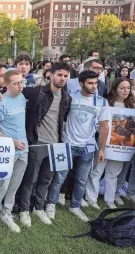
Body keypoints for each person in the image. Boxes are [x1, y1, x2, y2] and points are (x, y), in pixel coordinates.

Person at [46, 70, 109, 222]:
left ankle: (75, 206)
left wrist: (101, 149)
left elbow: (104, 127)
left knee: (82, 180)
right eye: (90, 83)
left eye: (96, 83)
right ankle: (51, 204)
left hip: (87, 147)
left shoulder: (101, 102)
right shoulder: (70, 97)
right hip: (67, 144)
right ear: (81, 83)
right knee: (59, 177)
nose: (94, 86)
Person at [16, 62, 71, 227]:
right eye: (60, 75)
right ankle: (24, 210)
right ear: (51, 75)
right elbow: (14, 93)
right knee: (30, 179)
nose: (62, 79)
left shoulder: (67, 98)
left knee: (46, 178)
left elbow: (62, 120)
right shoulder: (36, 92)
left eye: (66, 76)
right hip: (37, 143)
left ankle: (38, 208)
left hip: (56, 145)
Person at [0, 69, 28, 235]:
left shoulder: (23, 97)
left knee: (14, 185)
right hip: (7, 150)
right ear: (6, 84)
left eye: (21, 82)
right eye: (16, 83)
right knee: (2, 185)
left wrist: (19, 143)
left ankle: (6, 212)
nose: (20, 86)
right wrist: (12, 141)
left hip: (24, 149)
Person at [85, 78, 135, 209]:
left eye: (128, 88)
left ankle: (110, 199)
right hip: (105, 142)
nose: (125, 91)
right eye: (122, 88)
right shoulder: (106, 102)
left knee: (113, 173)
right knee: (97, 171)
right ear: (115, 89)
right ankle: (91, 198)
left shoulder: (131, 106)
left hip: (122, 146)